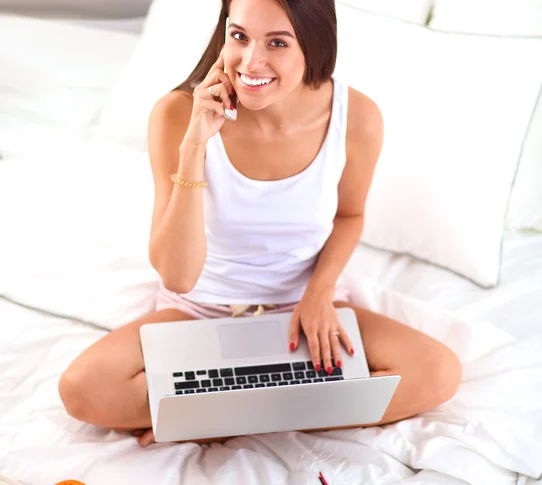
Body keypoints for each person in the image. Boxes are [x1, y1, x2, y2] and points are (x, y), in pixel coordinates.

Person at [58, 0, 462, 448]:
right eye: (240, 36)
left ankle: (217, 416)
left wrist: (319, 293)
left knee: (438, 372)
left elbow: (350, 215)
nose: (251, 62)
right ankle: (265, 408)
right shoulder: (175, 115)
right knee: (83, 389)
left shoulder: (357, 116)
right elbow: (178, 276)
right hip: (199, 310)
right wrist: (195, 145)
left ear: (314, 45)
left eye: (277, 43)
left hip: (302, 312)